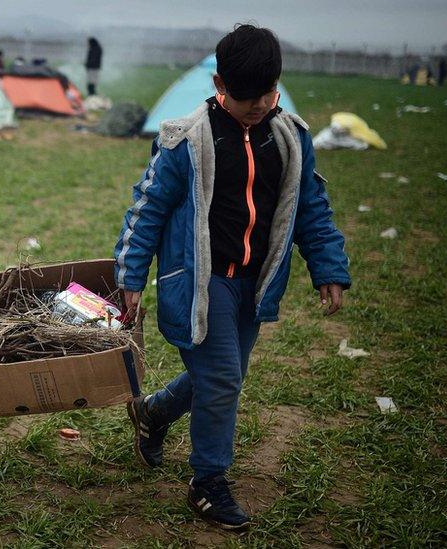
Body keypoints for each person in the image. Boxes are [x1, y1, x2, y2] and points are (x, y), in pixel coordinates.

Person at [114, 24, 351, 530]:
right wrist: (130, 275)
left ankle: (153, 413)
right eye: (247, 99)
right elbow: (147, 209)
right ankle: (208, 483)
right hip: (201, 283)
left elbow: (311, 207)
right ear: (220, 84)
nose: (259, 106)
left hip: (256, 282)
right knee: (222, 379)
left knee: (224, 376)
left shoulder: (290, 138)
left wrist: (328, 265)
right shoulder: (186, 140)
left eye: (268, 94)